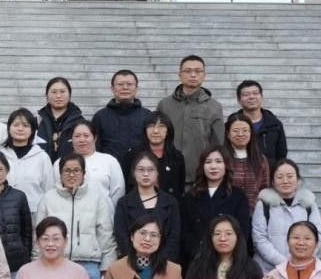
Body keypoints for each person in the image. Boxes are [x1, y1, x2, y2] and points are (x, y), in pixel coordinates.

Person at [35, 154, 116, 279]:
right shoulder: (48, 198)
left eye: (76, 170)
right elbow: (38, 234)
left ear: (84, 173)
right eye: (67, 170)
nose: (71, 175)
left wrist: (107, 266)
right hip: (55, 262)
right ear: (60, 174)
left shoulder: (97, 198)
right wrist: (36, 262)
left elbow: (105, 234)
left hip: (89, 264)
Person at [156, 55, 224, 184]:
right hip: (168, 176)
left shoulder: (214, 107)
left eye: (198, 71)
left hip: (200, 179)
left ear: (204, 75)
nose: (193, 75)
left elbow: (218, 144)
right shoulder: (164, 105)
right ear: (180, 75)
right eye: (187, 71)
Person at [179, 147, 249, 267]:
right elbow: (185, 232)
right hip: (197, 261)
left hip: (230, 261)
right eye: (208, 162)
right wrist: (199, 253)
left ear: (226, 165)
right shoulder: (191, 197)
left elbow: (243, 231)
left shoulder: (238, 196)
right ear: (202, 166)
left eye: (218, 161)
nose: (213, 166)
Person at [252, 159, 321, 273]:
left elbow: (317, 235)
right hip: (269, 270)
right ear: (272, 181)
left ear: (298, 180)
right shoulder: (264, 204)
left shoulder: (309, 204)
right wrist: (284, 264)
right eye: (279, 177)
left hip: (302, 269)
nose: (285, 181)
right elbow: (259, 239)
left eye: (290, 176)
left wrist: (300, 260)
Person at [114, 152, 180, 260]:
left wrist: (161, 261)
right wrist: (136, 261)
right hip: (131, 262)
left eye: (150, 170)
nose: (145, 174)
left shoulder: (170, 202)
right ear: (134, 173)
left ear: (157, 173)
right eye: (141, 170)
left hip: (164, 263)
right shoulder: (124, 203)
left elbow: (174, 237)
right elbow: (121, 236)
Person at [91, 69, 152, 170]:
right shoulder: (100, 117)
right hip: (108, 170)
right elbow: (94, 148)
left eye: (129, 84)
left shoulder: (147, 116)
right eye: (120, 84)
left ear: (137, 88)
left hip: (140, 172)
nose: (125, 87)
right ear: (112, 88)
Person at [0, 108, 55, 213]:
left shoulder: (42, 157)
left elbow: (49, 189)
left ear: (32, 130)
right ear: (9, 128)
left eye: (25, 126)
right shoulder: (0, 155)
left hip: (34, 212)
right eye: (16, 125)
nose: (20, 129)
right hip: (4, 212)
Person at [60, 119, 125, 205]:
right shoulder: (60, 163)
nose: (82, 140)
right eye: (77, 136)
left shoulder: (109, 161)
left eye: (86, 136)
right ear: (71, 139)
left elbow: (118, 192)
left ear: (95, 138)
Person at [230, 80, 287, 166]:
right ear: (239, 100)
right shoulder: (231, 124)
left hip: (268, 172)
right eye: (246, 94)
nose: (251, 97)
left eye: (255, 93)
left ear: (262, 97)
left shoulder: (275, 124)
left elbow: (281, 155)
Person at [224, 115, 269, 213]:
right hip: (227, 213)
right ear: (228, 134)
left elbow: (264, 188)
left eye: (245, 131)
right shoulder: (222, 158)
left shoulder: (260, 159)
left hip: (254, 214)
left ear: (251, 133)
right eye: (235, 131)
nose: (240, 134)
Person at [36, 77, 84, 162]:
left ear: (70, 95)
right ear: (46, 96)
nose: (58, 96)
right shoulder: (37, 121)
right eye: (54, 92)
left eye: (62, 91)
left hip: (70, 169)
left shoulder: (80, 122)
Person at [142, 112, 185, 199]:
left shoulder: (177, 156)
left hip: (170, 205)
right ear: (145, 130)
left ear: (168, 131)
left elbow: (180, 188)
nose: (155, 131)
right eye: (151, 126)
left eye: (161, 126)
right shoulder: (133, 155)